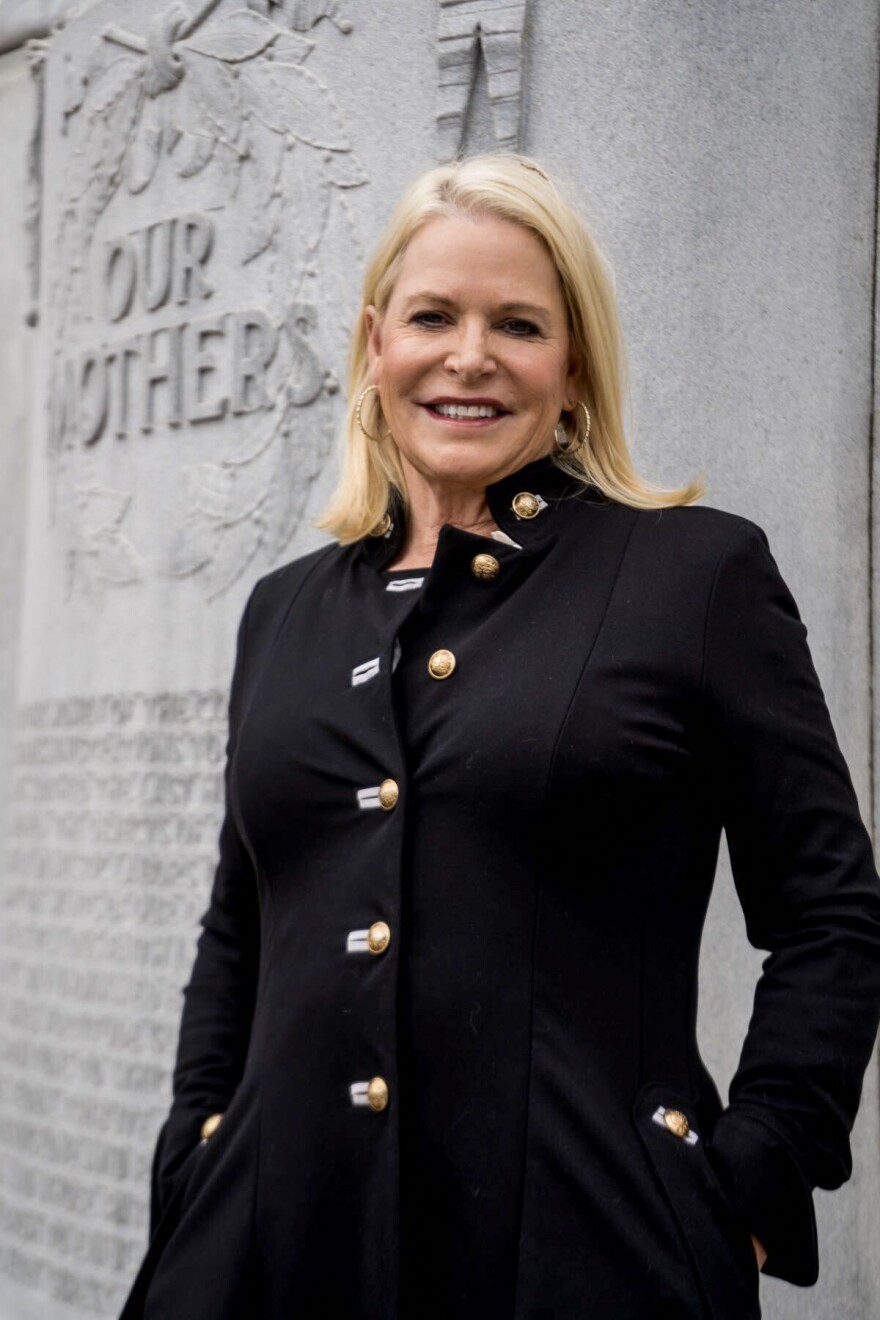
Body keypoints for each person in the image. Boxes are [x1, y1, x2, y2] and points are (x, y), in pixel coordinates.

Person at [120, 153, 880, 1320]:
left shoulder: (694, 576)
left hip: (582, 1253)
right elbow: (244, 920)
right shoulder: (284, 608)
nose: (468, 357)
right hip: (268, 1247)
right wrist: (195, 1146)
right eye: (433, 316)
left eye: (517, 324)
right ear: (376, 345)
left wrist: (755, 1163)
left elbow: (831, 911)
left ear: (572, 366)